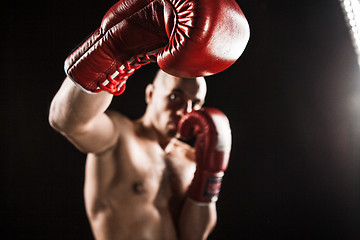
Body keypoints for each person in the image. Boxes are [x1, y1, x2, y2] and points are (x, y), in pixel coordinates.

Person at [49, 69, 224, 240]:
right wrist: (109, 61)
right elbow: (65, 121)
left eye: (195, 103)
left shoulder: (192, 159)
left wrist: (210, 173)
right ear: (150, 94)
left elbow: (196, 235)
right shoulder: (118, 136)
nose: (185, 111)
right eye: (174, 97)